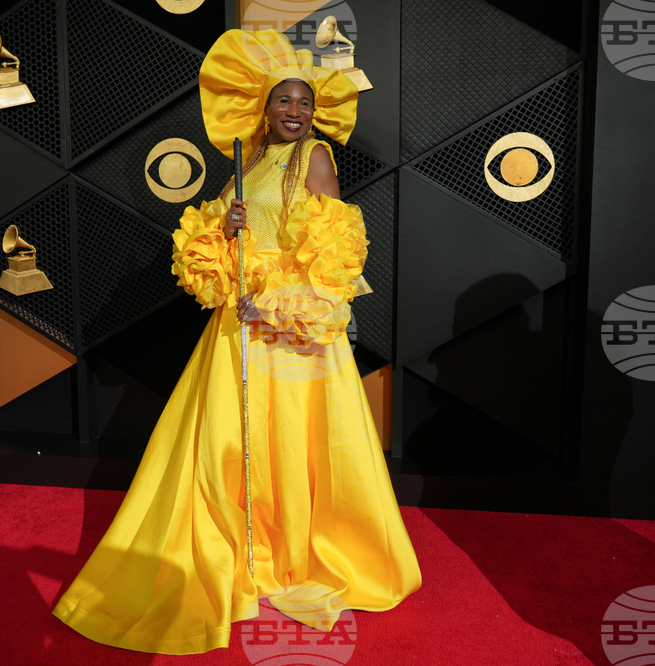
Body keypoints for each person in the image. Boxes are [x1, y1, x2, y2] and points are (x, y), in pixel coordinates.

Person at [52, 29, 421, 655]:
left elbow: (334, 255)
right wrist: (226, 223)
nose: (296, 112)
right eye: (285, 102)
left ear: (315, 111)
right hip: (238, 322)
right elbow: (209, 248)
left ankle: (293, 551)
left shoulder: (317, 159)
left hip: (292, 325)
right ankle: (243, 551)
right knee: (230, 441)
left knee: (296, 440)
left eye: (304, 103)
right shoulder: (246, 160)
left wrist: (278, 304)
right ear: (265, 106)